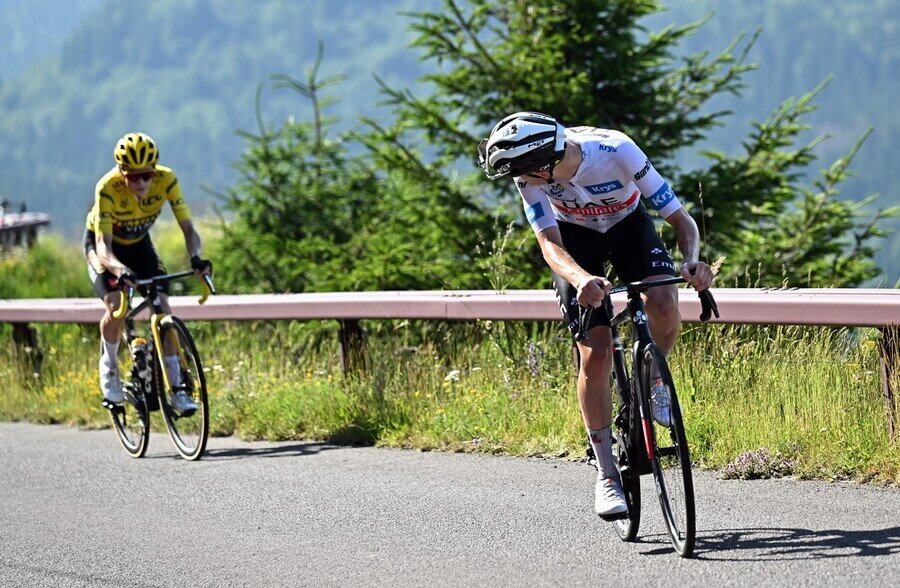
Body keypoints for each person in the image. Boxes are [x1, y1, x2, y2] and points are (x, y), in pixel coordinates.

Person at [478, 112, 714, 517]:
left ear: (543, 164)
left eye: (522, 175)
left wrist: (691, 262)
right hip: (574, 243)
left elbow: (680, 219)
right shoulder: (528, 174)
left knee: (662, 304)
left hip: (628, 228)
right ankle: (606, 474)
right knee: (597, 353)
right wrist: (581, 277)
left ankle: (655, 378)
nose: (520, 184)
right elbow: (549, 244)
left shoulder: (616, 150)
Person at [83, 132, 212, 414]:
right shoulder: (107, 188)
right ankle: (109, 368)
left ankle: (177, 388)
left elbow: (189, 229)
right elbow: (103, 247)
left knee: (163, 308)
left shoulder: (167, 180)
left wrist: (196, 258)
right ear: (121, 173)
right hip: (104, 248)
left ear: (155, 171)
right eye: (133, 176)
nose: (141, 182)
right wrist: (119, 270)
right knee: (116, 304)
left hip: (140, 246)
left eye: (147, 175)